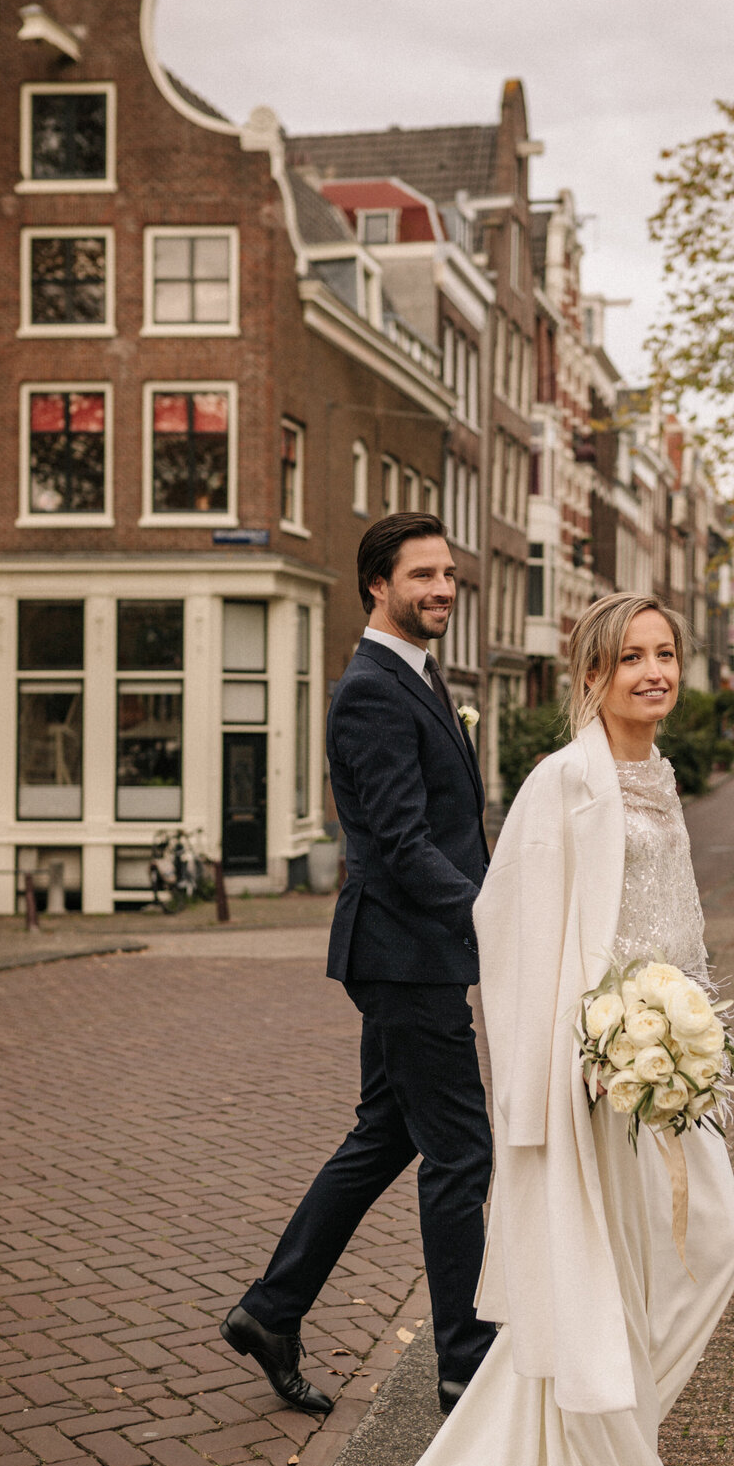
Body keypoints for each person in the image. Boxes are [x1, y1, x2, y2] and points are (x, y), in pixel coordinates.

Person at [365, 592, 734, 1466]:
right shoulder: (563, 783)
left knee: (718, 1242)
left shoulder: (656, 775)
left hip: (667, 1072)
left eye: (666, 654)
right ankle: (597, 1460)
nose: (655, 672)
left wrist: (691, 1028)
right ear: (593, 675)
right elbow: (510, 923)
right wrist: (577, 1058)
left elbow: (674, 921)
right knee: (601, 1276)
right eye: (633, 659)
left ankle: (615, 1434)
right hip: (594, 1076)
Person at [220, 513, 495, 1418]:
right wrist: (493, 915)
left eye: (448, 574)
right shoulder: (373, 689)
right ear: (378, 585)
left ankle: (271, 1309)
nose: (442, 588)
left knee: (386, 1132)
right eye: (423, 575)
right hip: (406, 955)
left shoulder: (417, 673)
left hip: (409, 950)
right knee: (460, 1152)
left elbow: (446, 828)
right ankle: (464, 1362)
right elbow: (405, 844)